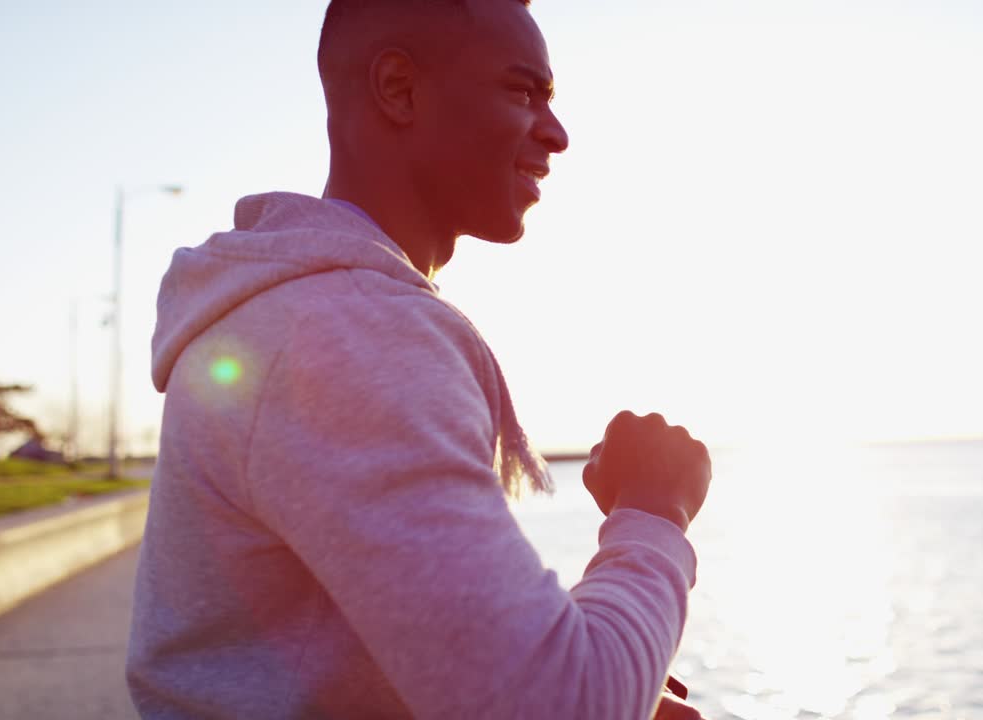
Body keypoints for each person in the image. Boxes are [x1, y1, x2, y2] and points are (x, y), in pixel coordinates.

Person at [126, 0, 713, 718]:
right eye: (523, 90)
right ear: (399, 89)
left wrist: (614, 672)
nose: (556, 134)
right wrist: (654, 509)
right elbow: (557, 706)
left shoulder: (310, 313)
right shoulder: (347, 334)